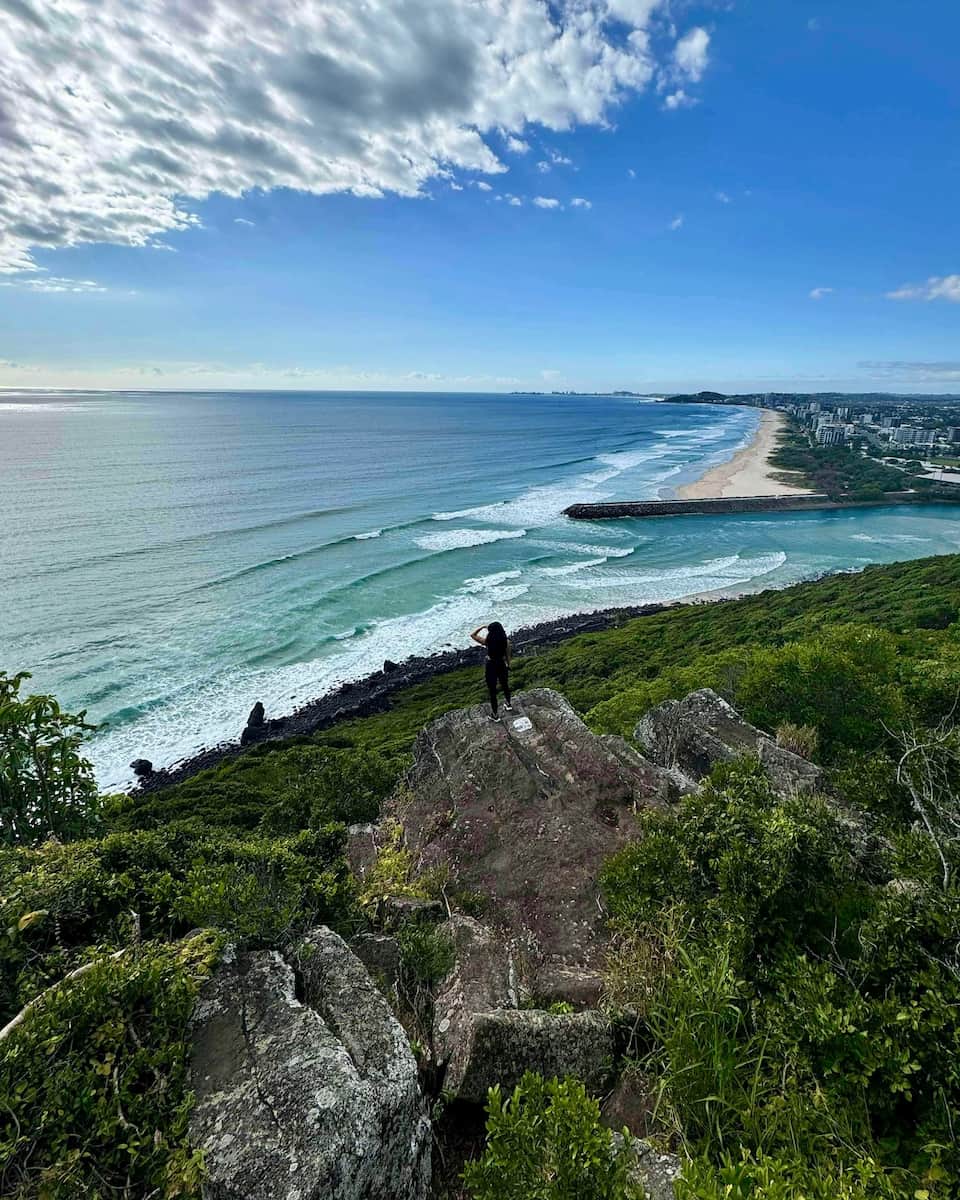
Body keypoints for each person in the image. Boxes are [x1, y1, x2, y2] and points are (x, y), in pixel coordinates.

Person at [470, 620, 513, 720]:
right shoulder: (506, 641)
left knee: (492, 691)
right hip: (502, 665)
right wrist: (508, 665)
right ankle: (509, 704)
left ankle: (495, 715)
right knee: (505, 685)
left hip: (491, 666)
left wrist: (482, 627)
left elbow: (473, 635)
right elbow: (508, 655)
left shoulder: (488, 642)